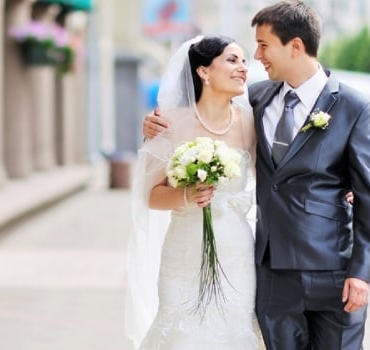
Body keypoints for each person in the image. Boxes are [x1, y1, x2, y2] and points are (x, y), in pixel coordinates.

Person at [141, 1, 370, 349]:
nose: (255, 58)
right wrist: (156, 128)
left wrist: (362, 273)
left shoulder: (355, 108)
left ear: (296, 46)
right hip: (270, 272)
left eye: (262, 45)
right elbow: (204, 116)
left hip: (331, 268)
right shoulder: (254, 101)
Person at [126, 35, 262, 349]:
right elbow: (150, 195)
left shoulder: (250, 122)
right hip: (184, 248)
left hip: (236, 250)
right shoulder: (168, 123)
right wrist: (187, 196)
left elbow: (276, 177)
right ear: (203, 71)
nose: (243, 68)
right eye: (232, 60)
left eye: (244, 61)